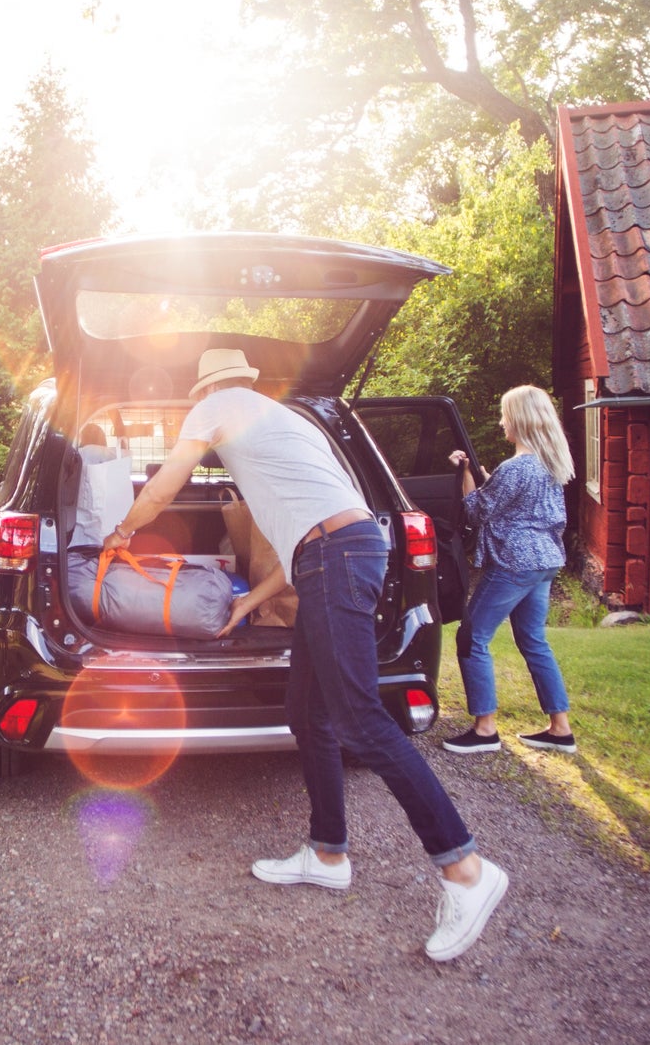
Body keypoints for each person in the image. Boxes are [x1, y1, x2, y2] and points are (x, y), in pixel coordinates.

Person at [105, 348, 508, 962]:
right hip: (337, 554)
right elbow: (314, 530)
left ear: (205, 391)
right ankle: (327, 854)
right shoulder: (290, 420)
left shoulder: (215, 406)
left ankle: (466, 870)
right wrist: (252, 601)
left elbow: (165, 485)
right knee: (307, 712)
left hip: (336, 557)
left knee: (359, 718)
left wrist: (123, 530)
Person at [442, 385, 578, 757]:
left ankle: (485, 731)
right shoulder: (551, 462)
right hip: (545, 560)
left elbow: (476, 511)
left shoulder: (516, 468)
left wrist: (466, 472)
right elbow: (510, 504)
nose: (502, 421)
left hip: (515, 563)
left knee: (472, 637)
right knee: (533, 639)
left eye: (505, 414)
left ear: (518, 419)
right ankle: (560, 729)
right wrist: (485, 477)